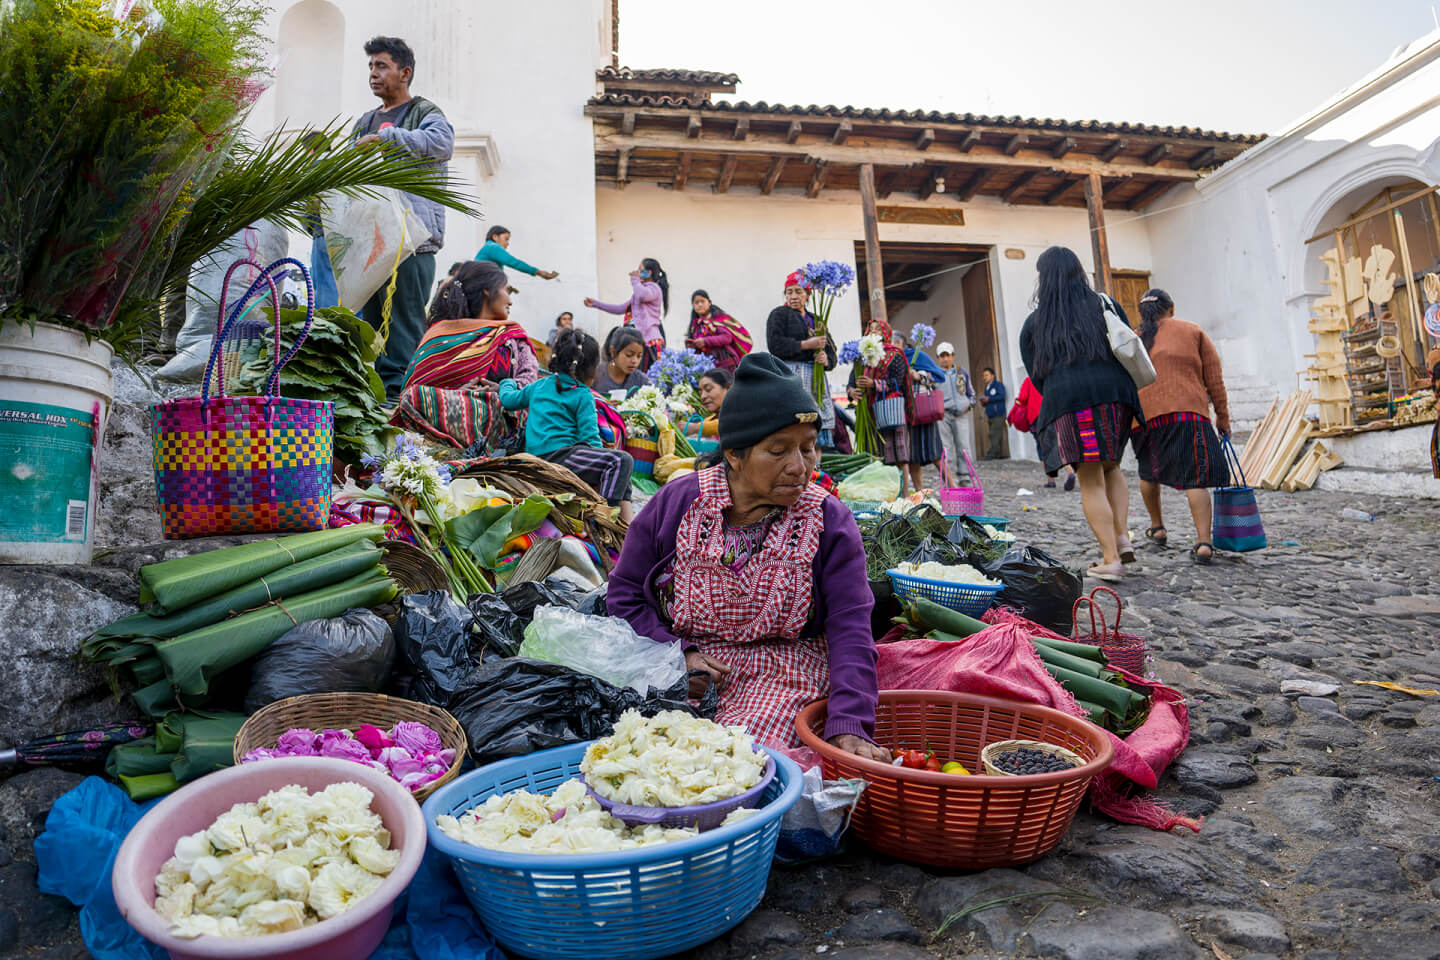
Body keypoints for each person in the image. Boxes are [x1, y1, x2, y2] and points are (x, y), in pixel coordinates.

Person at [608, 353, 887, 763]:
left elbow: (850, 626)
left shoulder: (828, 518)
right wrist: (678, 653)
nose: (800, 466)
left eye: (808, 449)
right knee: (637, 753)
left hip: (783, 674)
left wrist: (849, 722)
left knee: (739, 761)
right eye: (778, 451)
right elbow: (625, 595)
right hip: (681, 670)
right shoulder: (678, 503)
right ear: (735, 456)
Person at [1019, 246, 1142, 582]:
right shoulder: (1105, 304)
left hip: (1071, 400)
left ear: (1043, 279)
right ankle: (1121, 535)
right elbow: (1125, 344)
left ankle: (1110, 558)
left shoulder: (1035, 323)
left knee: (1089, 478)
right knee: (1113, 466)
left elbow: (1035, 373)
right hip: (1117, 396)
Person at [351, 36, 455, 401]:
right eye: (370, 67)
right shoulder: (364, 121)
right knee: (369, 332)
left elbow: (442, 144)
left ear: (404, 72)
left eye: (381, 66)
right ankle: (371, 404)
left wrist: (386, 139)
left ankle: (402, 409)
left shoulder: (426, 113)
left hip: (414, 242)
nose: (373, 74)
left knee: (404, 331)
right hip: (372, 244)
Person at [389, 262, 538, 454]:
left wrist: (504, 389)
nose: (510, 300)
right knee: (412, 397)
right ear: (487, 290)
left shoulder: (513, 336)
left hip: (503, 416)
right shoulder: (441, 334)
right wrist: (458, 394)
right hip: (453, 416)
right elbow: (418, 388)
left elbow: (529, 381)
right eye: (505, 290)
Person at [1130, 289, 1231, 565]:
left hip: (1144, 419)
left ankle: (1158, 527)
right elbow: (1214, 379)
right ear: (1171, 309)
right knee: (1195, 478)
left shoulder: (1133, 339)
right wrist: (1223, 418)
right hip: (1188, 414)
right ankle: (1203, 542)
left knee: (1149, 473)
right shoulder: (1192, 331)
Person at [499, 330, 636, 523]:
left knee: (621, 471)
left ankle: (628, 526)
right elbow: (591, 439)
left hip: (535, 458)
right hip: (560, 459)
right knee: (621, 462)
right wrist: (600, 459)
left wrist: (507, 382)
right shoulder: (583, 394)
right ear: (593, 369)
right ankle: (605, 520)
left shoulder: (539, 385)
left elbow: (508, 400)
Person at [766, 271, 838, 446]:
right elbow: (775, 345)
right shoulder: (779, 314)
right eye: (789, 292)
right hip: (791, 374)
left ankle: (816, 467)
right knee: (795, 416)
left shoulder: (817, 320)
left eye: (798, 291)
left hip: (815, 377)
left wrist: (825, 359)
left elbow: (831, 351)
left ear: (808, 294)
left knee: (817, 417)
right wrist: (806, 344)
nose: (793, 296)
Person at [848, 318, 916, 493]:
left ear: (886, 333)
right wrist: (852, 392)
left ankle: (905, 493)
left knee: (900, 454)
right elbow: (852, 381)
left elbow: (898, 382)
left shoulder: (894, 354)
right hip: (869, 413)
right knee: (877, 454)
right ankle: (884, 493)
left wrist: (874, 384)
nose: (873, 332)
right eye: (870, 329)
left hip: (891, 410)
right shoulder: (862, 356)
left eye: (878, 329)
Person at [585, 258, 669, 368]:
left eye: (640, 270)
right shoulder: (640, 291)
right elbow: (620, 308)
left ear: (649, 273)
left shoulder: (654, 289)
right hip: (637, 339)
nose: (637, 272)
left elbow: (642, 295)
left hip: (649, 341)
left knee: (645, 376)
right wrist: (596, 304)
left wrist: (635, 280)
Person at [1013, 376, 1076, 490]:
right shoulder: (1050, 377)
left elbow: (1022, 398)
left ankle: (1051, 480)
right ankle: (1070, 472)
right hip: (1052, 414)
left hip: (1036, 417)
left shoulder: (1029, 380)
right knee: (1057, 444)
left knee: (1042, 448)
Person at [934, 342, 976, 484]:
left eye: (948, 355)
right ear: (938, 358)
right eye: (942, 356)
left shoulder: (961, 372)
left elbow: (971, 392)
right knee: (945, 448)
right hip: (943, 415)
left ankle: (965, 478)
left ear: (953, 356)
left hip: (961, 414)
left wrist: (969, 405)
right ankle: (950, 480)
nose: (945, 359)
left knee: (964, 446)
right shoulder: (935, 374)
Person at [684, 290, 752, 371]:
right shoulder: (695, 326)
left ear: (709, 302)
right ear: (693, 306)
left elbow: (727, 338)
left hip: (726, 364)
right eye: (696, 302)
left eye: (702, 301)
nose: (700, 304)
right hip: (707, 367)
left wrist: (705, 341)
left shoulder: (719, 319)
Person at [474, 225, 559, 281]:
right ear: (495, 237)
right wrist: (538, 272)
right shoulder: (493, 247)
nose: (507, 243)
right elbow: (513, 262)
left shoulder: (488, 248)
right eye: (506, 239)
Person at [594, 326, 651, 397]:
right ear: (613, 352)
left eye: (639, 356)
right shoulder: (596, 375)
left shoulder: (641, 381)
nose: (635, 361)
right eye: (629, 355)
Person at [683, 367, 733, 441]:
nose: (703, 396)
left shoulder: (744, 411)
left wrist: (695, 427)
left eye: (708, 389)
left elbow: (731, 423)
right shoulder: (708, 421)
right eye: (700, 393)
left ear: (728, 388)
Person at [980, 367, 1008, 459]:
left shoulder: (998, 385)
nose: (985, 377)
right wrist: (984, 402)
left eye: (987, 375)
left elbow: (1002, 396)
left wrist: (989, 399)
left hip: (998, 413)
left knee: (994, 433)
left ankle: (992, 454)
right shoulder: (987, 387)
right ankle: (997, 453)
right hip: (990, 414)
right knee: (992, 434)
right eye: (984, 376)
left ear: (993, 376)